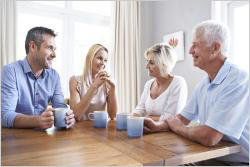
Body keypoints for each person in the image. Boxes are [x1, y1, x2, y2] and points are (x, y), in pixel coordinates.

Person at [143, 20, 249, 165]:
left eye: (195, 45)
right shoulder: (204, 84)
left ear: (215, 48)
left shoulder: (238, 79)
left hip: (236, 162)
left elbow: (209, 137)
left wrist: (180, 128)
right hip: (208, 156)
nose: (190, 51)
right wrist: (157, 127)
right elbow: (181, 118)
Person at [1, 27, 75, 129]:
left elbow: (60, 107)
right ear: (32, 46)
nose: (54, 55)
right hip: (16, 139)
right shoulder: (11, 71)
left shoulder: (54, 76)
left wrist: (68, 117)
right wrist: (37, 121)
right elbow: (5, 116)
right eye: (50, 48)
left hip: (43, 139)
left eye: (54, 49)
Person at [132, 43, 188, 121]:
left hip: (169, 132)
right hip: (149, 130)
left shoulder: (178, 83)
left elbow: (170, 118)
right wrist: (131, 118)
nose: (146, 66)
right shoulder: (149, 84)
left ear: (164, 65)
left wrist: (145, 118)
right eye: (147, 61)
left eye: (151, 63)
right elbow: (140, 109)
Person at [69, 44, 117, 121]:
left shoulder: (107, 83)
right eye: (99, 58)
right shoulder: (75, 81)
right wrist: (94, 86)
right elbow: (76, 115)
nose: (103, 63)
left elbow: (112, 116)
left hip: (100, 128)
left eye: (105, 60)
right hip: (79, 130)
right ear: (90, 58)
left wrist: (113, 88)